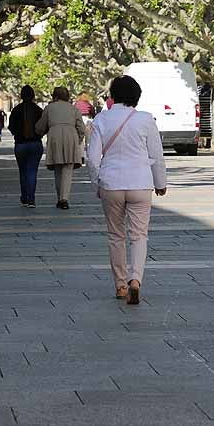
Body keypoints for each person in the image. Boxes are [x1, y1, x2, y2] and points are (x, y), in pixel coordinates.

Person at [86, 75, 168, 304]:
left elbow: (92, 159)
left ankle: (120, 285)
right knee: (139, 235)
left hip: (111, 184)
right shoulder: (145, 120)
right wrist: (160, 183)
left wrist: (97, 184)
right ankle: (136, 280)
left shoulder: (102, 120)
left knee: (115, 235)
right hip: (140, 183)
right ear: (136, 96)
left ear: (113, 95)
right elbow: (156, 155)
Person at [37, 87, 87, 210]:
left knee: (58, 169)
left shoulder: (49, 108)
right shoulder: (74, 109)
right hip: (70, 137)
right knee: (68, 169)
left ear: (55, 96)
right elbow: (81, 128)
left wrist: (38, 133)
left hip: (55, 137)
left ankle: (60, 197)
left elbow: (41, 126)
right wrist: (79, 139)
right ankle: (64, 198)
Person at [8, 86, 44, 208]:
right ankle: (31, 198)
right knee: (32, 171)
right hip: (35, 143)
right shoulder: (38, 110)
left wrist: (17, 134)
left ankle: (24, 197)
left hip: (20, 144)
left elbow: (11, 126)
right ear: (33, 96)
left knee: (23, 171)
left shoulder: (16, 110)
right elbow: (44, 126)